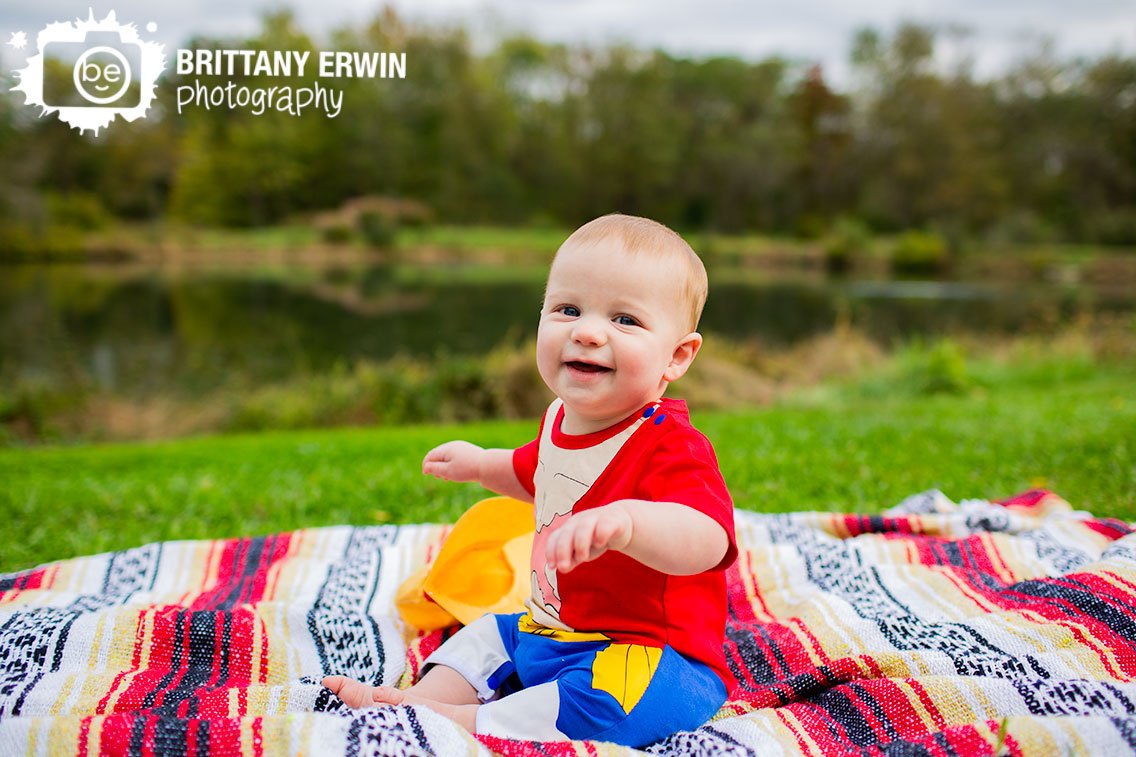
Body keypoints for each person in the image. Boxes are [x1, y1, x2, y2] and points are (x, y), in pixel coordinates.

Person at [323, 213, 736, 747]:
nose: (587, 332)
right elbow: (533, 473)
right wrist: (479, 464)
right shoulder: (558, 420)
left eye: (625, 321)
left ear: (677, 356)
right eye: (568, 309)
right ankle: (433, 697)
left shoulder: (669, 444)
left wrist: (630, 521)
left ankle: (455, 722)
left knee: (590, 705)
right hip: (552, 631)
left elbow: (708, 538)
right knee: (483, 636)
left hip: (651, 659)